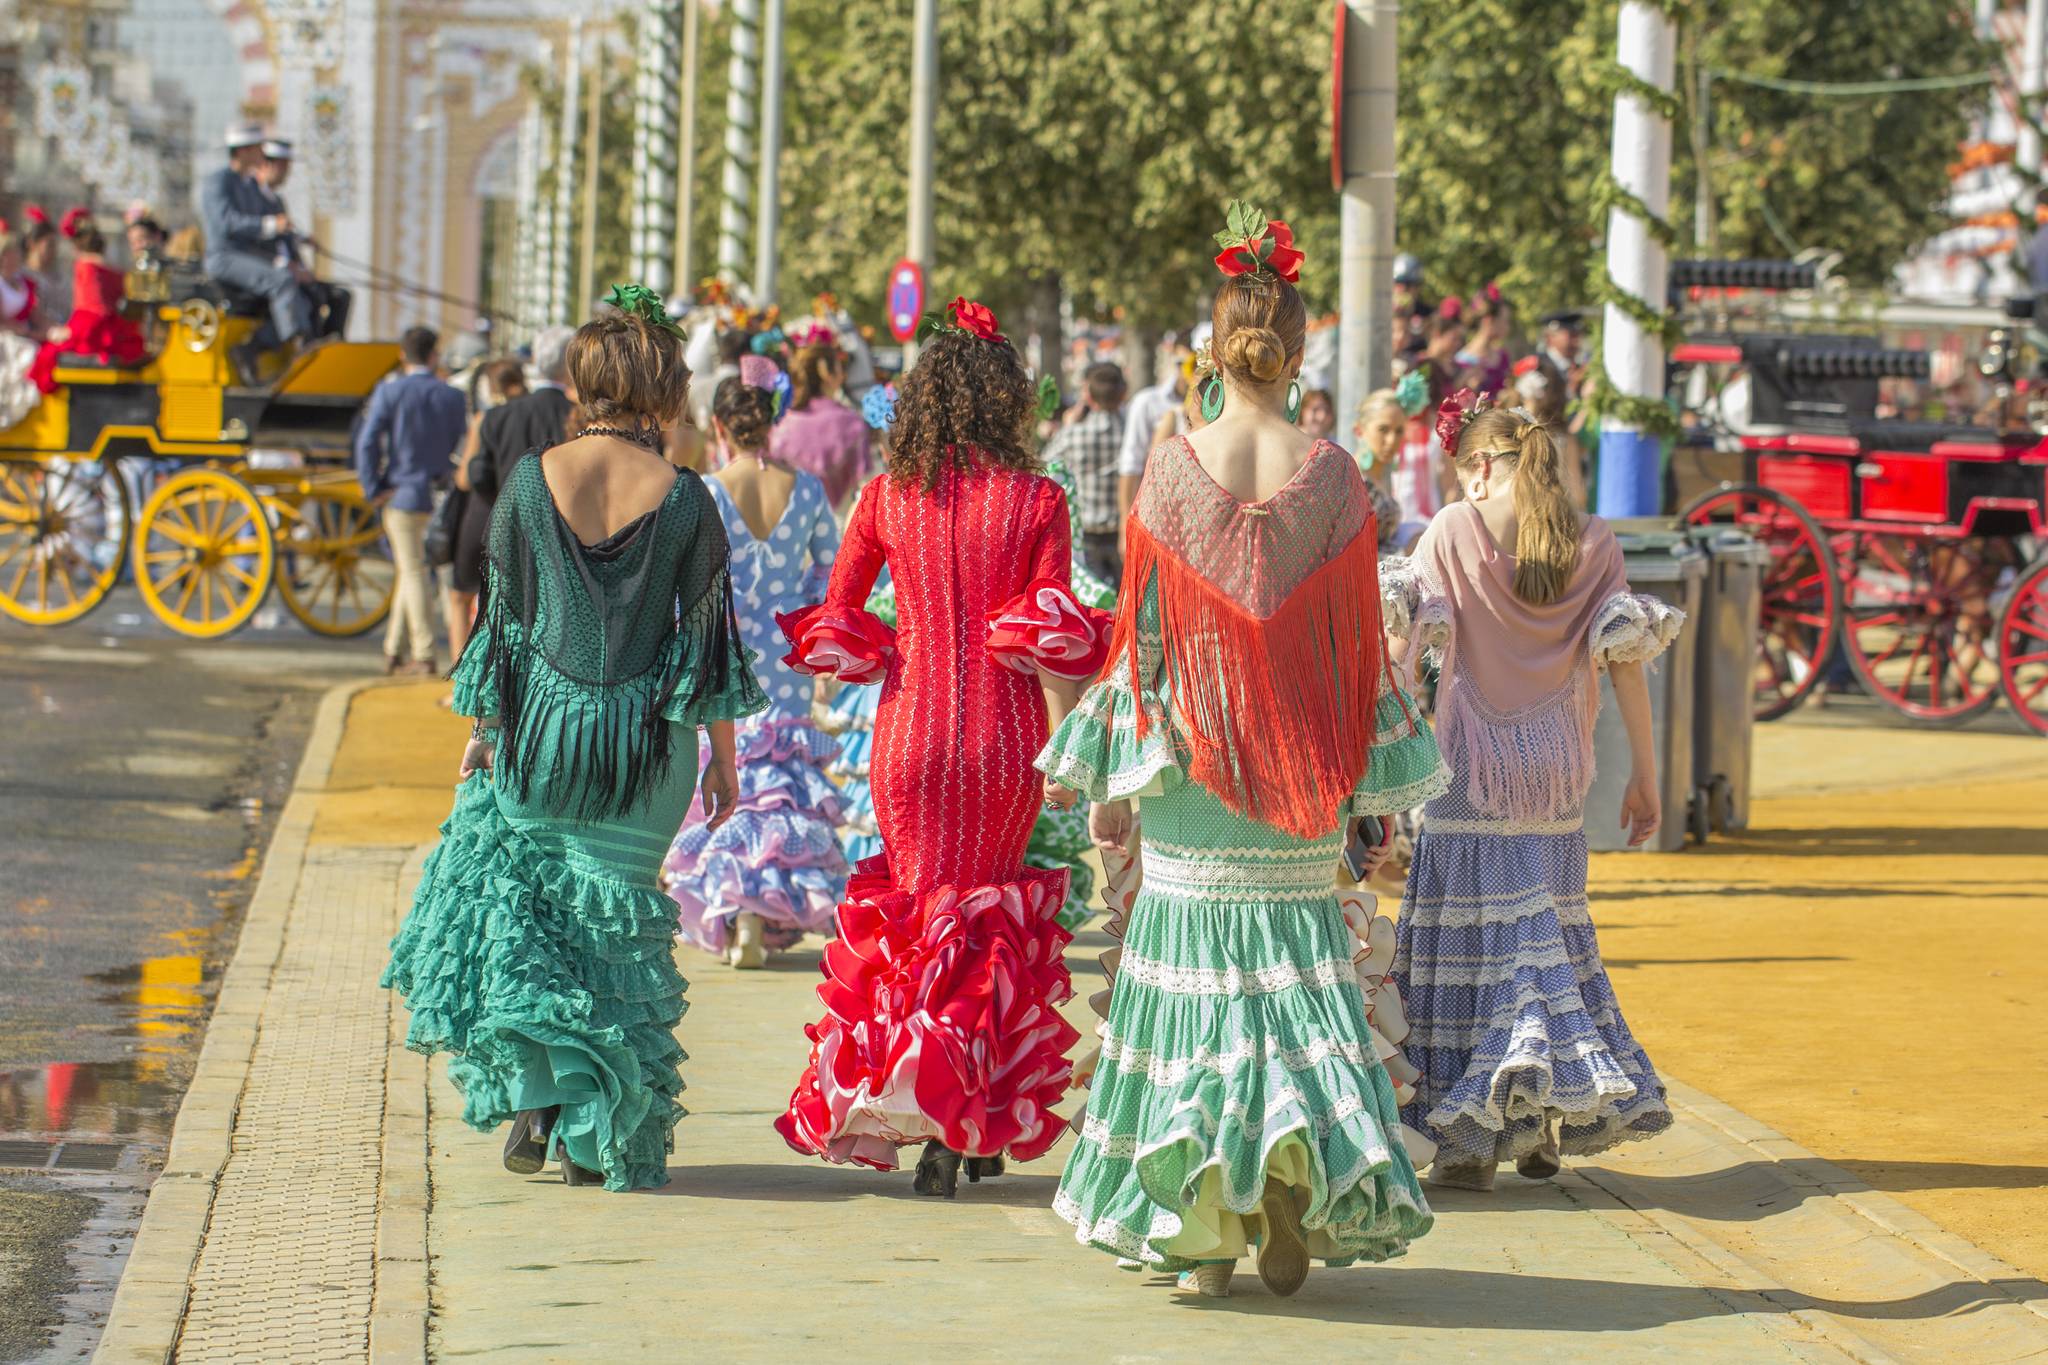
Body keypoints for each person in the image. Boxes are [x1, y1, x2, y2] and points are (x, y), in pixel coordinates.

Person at [1041, 203, 1444, 1299]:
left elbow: (1145, 643)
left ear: (1212, 350)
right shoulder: (1338, 476)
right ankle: (1285, 1187)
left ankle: (1199, 1235)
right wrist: (1367, 789)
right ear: (1299, 351)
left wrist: (1114, 788)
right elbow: (1360, 647)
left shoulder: (1168, 473)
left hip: (1189, 771)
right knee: (1292, 991)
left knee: (1193, 1003)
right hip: (1301, 774)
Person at [382, 290, 765, 1190]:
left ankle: (540, 1095)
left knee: (536, 922)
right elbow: (708, 635)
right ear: (663, 391)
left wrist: (483, 732)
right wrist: (726, 761)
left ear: (582, 382)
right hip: (645, 752)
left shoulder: (528, 480)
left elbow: (503, 625)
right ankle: (595, 1136)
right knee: (613, 940)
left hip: (541, 738)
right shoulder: (687, 500)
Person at [774, 295, 1109, 1195]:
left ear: (922, 400)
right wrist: (1078, 746)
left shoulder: (886, 497)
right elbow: (1050, 639)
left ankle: (925, 1113)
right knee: (991, 927)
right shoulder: (1040, 498)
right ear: (1008, 405)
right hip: (1005, 739)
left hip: (911, 733)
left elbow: (840, 613)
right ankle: (969, 1127)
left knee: (923, 922)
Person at [1385, 395, 1682, 1193]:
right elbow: (1626, 665)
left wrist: (1378, 762)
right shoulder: (1595, 543)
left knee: (1474, 951)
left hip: (1469, 769)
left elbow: (1404, 649)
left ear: (1481, 468)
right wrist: (1647, 776)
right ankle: (1534, 1113)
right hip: (1555, 773)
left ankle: (1470, 1137)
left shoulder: (1451, 528)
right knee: (1540, 936)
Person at [665, 370, 847, 967]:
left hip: (727, 655)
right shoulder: (810, 490)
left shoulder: (708, 491)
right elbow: (830, 573)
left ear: (719, 426)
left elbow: (690, 584)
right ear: (773, 424)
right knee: (778, 785)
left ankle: (736, 907)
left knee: (728, 772)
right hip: (789, 656)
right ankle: (764, 909)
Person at [353, 326, 467, 675]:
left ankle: (424, 653)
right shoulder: (452, 396)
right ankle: (393, 648)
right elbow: (459, 444)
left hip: (400, 493)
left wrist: (373, 488)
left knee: (413, 570)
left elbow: (367, 442)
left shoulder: (390, 392)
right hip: (440, 493)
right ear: (433, 356)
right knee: (412, 570)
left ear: (403, 355)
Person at [200, 122, 313, 380]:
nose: (263, 154)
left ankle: (259, 346)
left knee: (301, 290)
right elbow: (226, 223)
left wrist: (295, 238)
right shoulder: (218, 182)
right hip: (224, 257)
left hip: (249, 256)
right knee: (282, 282)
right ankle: (298, 347)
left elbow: (263, 227)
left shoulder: (247, 185)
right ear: (243, 151)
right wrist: (271, 225)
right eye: (258, 149)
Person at [447, 358, 528, 664]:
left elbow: (466, 478)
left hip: (484, 515)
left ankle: (461, 677)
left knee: (460, 596)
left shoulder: (487, 418)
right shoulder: (540, 414)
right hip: (524, 521)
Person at [30, 210, 147, 394]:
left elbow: (90, 307)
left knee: (46, 358)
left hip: (91, 329)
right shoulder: (112, 269)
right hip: (115, 328)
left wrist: (68, 331)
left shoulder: (85, 266)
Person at [1041, 360, 1126, 588]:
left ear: (1089, 397)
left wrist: (1066, 426)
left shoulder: (1073, 435)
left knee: (1096, 609)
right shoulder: (1132, 432)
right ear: (1123, 393)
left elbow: (1043, 466)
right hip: (1124, 533)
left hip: (1086, 534)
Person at [256, 139, 352, 340]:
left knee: (340, 296)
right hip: (271, 273)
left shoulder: (276, 200)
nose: (286, 174)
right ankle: (310, 345)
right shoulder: (254, 199)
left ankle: (331, 342)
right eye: (284, 167)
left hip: (290, 270)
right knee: (312, 296)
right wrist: (290, 267)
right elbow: (255, 242)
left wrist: (303, 238)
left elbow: (285, 234)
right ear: (268, 165)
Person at [769, 323, 871, 510]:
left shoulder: (781, 425)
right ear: (827, 373)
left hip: (792, 528)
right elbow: (865, 487)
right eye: (840, 367)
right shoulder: (851, 423)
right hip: (840, 527)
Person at [1115, 336, 1196, 529]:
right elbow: (1132, 464)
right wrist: (1126, 527)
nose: (1188, 373)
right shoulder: (1148, 402)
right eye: (1184, 364)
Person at [1350, 388, 1416, 549]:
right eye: (1383, 430)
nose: (1392, 440)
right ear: (1360, 431)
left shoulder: (1377, 477)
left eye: (1399, 431)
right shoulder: (1352, 480)